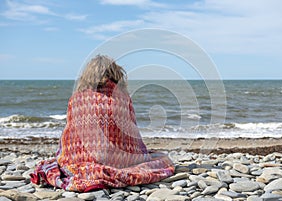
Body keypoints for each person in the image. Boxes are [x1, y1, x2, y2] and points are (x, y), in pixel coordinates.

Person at [30, 55, 174, 192]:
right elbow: (132, 133)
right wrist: (137, 152)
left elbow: (70, 134)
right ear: (116, 74)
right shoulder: (123, 98)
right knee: (162, 159)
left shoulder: (76, 99)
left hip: (81, 158)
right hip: (122, 160)